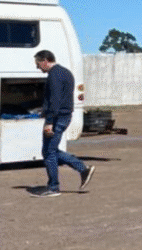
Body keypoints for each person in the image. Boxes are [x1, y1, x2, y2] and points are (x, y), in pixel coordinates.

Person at [31, 50, 95, 196]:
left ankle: (54, 187)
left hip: (57, 118)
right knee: (50, 151)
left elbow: (55, 100)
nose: (37, 67)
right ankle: (82, 169)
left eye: (38, 64)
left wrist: (49, 122)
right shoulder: (65, 72)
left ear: (45, 60)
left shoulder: (54, 75)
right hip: (63, 116)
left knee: (49, 152)